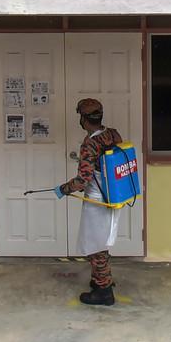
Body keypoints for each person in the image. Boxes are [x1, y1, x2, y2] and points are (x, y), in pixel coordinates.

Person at [54, 98, 123, 306]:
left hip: (97, 201)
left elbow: (82, 181)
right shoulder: (112, 134)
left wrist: (64, 189)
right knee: (101, 241)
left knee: (96, 246)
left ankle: (104, 291)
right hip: (113, 196)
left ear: (83, 119)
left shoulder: (90, 144)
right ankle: (100, 279)